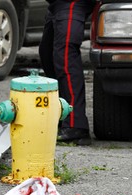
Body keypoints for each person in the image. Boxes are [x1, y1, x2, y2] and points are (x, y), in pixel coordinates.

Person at [39, 0, 95, 146]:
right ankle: (60, 115)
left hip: (71, 3)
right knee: (47, 54)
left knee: (65, 58)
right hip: (56, 5)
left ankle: (75, 124)